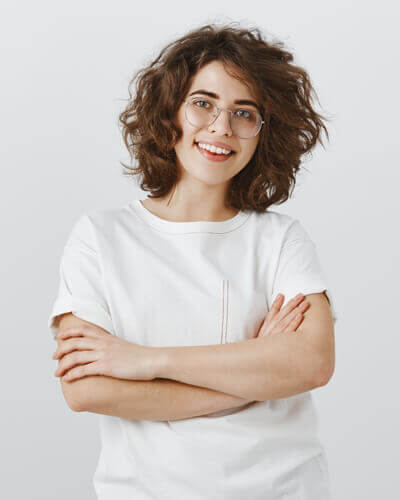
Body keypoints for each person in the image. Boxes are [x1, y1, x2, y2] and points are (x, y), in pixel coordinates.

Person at [49, 23, 337, 500]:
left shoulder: (281, 239)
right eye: (203, 103)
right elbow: (87, 390)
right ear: (170, 112)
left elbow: (312, 362)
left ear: (265, 133)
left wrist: (144, 361)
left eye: (244, 113)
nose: (221, 127)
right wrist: (256, 377)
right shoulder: (100, 237)